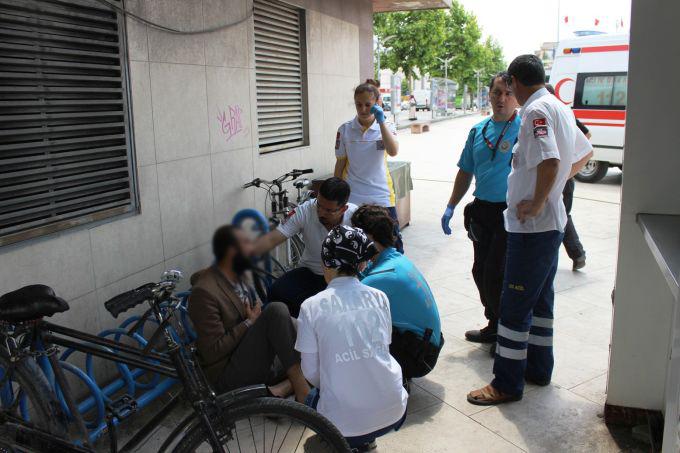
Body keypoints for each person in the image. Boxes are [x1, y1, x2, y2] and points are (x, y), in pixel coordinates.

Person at [467, 55, 593, 406]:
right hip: (550, 226)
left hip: (534, 228)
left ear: (516, 83)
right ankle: (537, 369)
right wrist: (552, 189)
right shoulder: (558, 106)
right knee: (540, 301)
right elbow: (584, 152)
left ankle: (505, 383)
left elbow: (552, 161)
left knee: (514, 304)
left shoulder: (536, 112)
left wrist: (539, 200)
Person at [296, 225, 408, 452]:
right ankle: (366, 441)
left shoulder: (311, 306)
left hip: (343, 425)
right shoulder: (380, 297)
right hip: (394, 408)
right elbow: (383, 348)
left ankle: (349, 441)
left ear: (325, 262)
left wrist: (334, 382)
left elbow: (309, 371)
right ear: (363, 263)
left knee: (313, 400)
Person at [441, 72, 520, 347]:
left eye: (508, 93)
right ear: (489, 95)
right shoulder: (478, 130)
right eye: (496, 93)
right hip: (482, 211)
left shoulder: (524, 128)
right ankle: (493, 323)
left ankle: (504, 331)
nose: (502, 99)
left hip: (509, 213)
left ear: (516, 96)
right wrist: (451, 205)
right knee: (479, 270)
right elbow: (465, 170)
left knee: (495, 273)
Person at [189, 225, 310, 402]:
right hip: (227, 376)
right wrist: (249, 322)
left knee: (310, 344)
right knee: (276, 311)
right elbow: (212, 352)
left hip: (250, 356)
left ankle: (281, 389)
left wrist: (252, 318)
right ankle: (300, 387)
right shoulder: (203, 293)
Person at [352, 204, 444, 379]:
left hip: (419, 358)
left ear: (368, 237)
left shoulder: (382, 276)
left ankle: (393, 382)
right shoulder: (396, 259)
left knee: (351, 329)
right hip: (427, 347)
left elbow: (345, 305)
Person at [253, 177, 356, 317]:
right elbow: (272, 238)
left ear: (344, 208)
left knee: (325, 310)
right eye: (319, 205)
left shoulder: (355, 217)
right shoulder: (305, 210)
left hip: (345, 276)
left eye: (328, 210)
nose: (321, 212)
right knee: (276, 291)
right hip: (311, 271)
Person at [334, 79, 404, 253]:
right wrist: (337, 195)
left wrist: (381, 123)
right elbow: (340, 163)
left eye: (368, 104)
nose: (363, 109)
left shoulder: (387, 126)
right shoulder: (345, 130)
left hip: (381, 196)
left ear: (377, 103)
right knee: (354, 247)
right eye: (359, 105)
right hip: (353, 198)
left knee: (391, 247)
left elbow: (393, 151)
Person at [546, 83, 589, 270]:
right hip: (559, 175)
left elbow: (586, 138)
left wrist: (569, 162)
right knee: (560, 214)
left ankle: (577, 253)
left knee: (561, 214)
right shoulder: (556, 113)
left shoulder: (560, 113)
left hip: (562, 177)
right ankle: (576, 254)